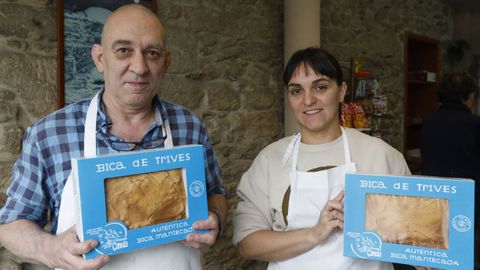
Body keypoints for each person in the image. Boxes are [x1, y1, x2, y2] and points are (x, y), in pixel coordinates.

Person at [0, 4, 227, 270]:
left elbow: (215, 194)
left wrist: (215, 218)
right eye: (123, 51)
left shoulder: (190, 127)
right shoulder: (49, 133)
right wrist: (52, 249)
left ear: (166, 62)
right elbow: (12, 225)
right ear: (99, 58)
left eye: (152, 53)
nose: (139, 67)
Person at [232, 47, 411, 269]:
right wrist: (316, 233)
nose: (308, 100)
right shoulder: (270, 160)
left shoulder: (381, 155)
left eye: (320, 87)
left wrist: (424, 257)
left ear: (342, 91)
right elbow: (248, 244)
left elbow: (412, 233)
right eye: (297, 91)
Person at [421, 72, 480, 270]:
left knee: (437, 254)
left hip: (433, 197)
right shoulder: (474, 124)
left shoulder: (429, 121)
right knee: (464, 253)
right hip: (467, 198)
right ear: (469, 96)